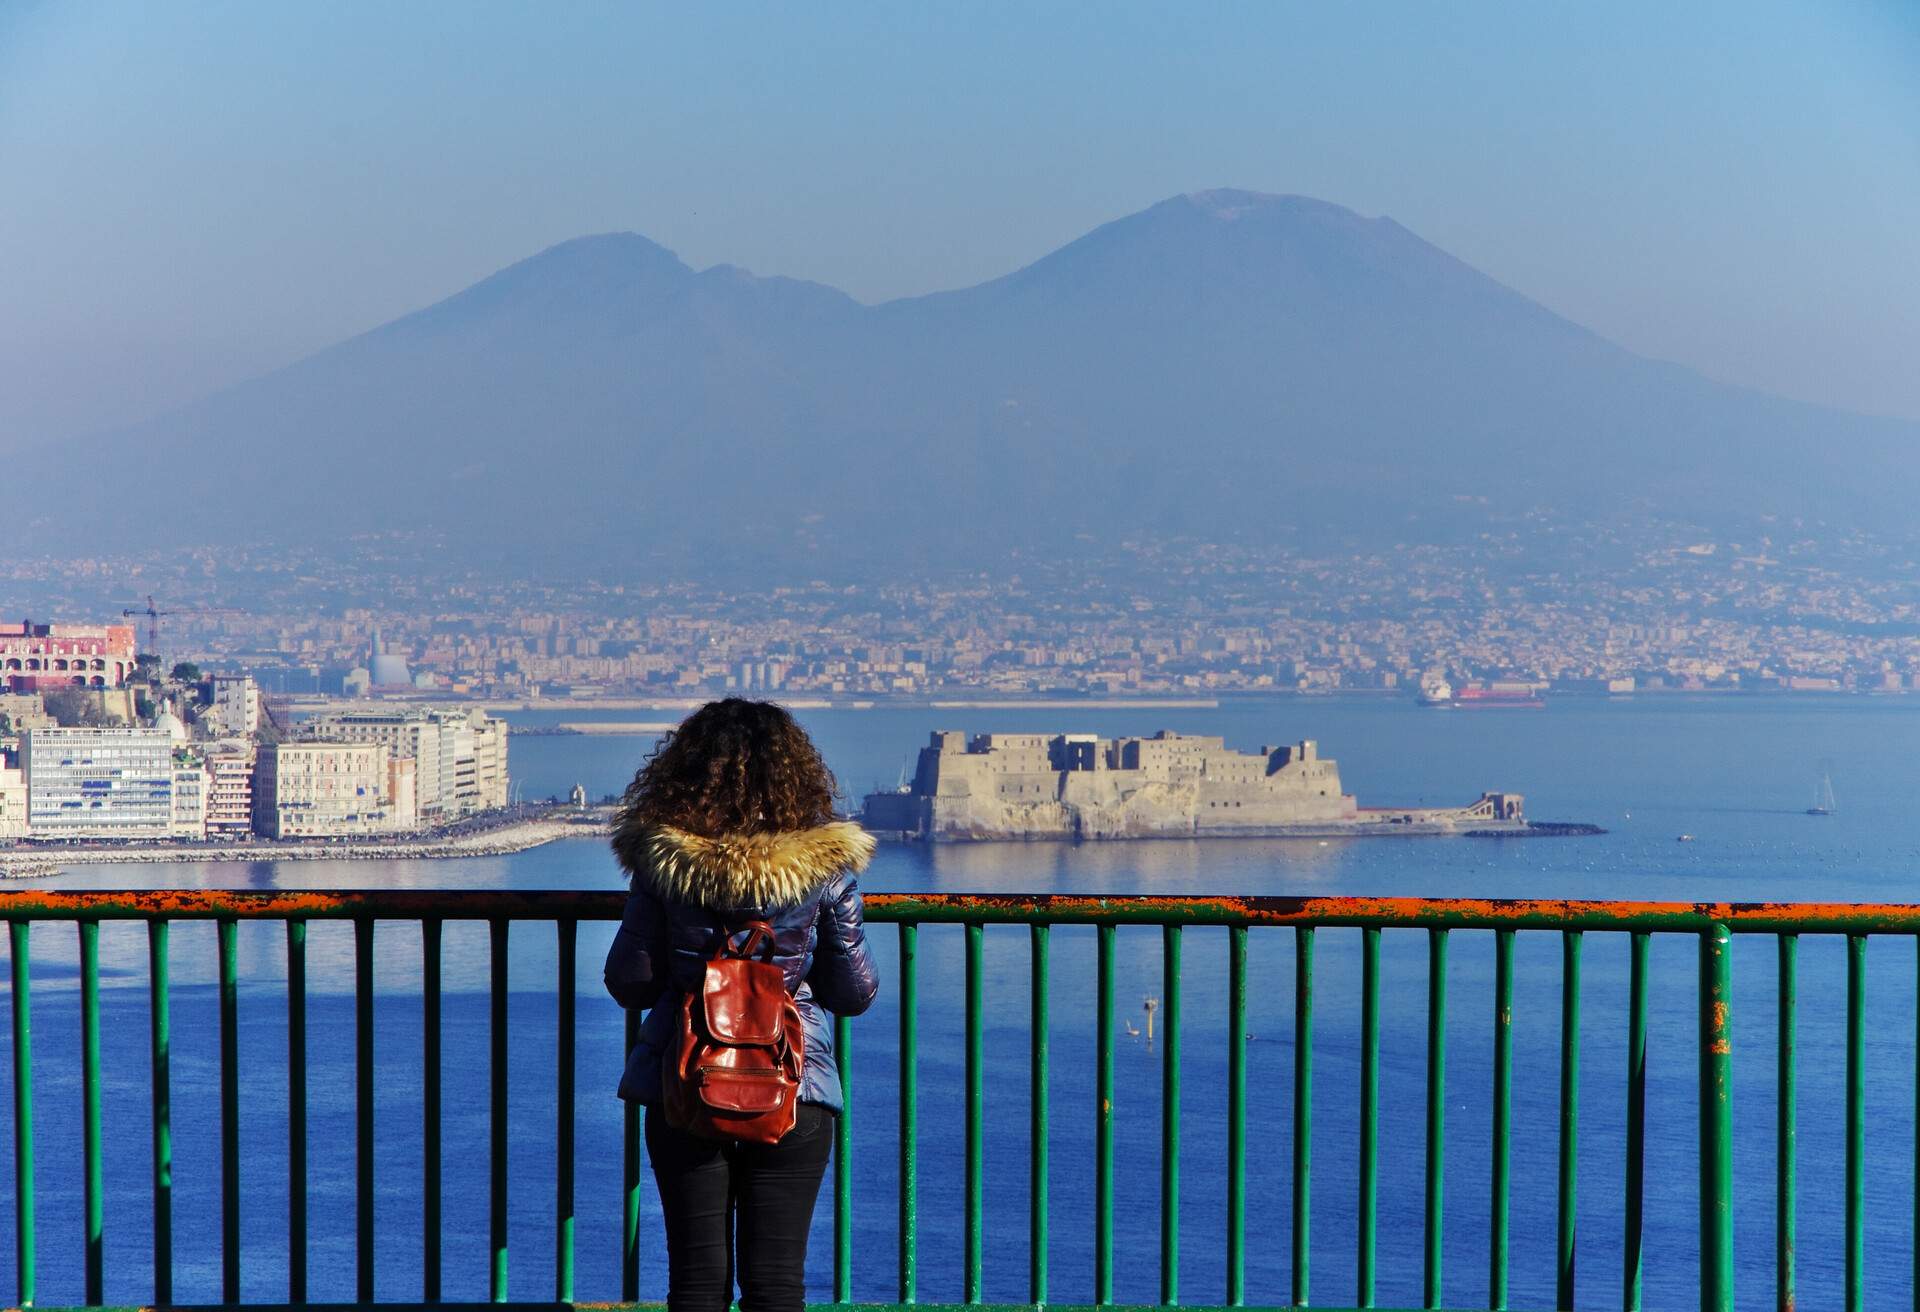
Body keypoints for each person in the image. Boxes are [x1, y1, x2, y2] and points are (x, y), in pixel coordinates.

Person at [604, 698, 879, 1312]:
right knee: (777, 1285)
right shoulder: (824, 867)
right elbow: (854, 992)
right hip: (794, 1083)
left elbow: (628, 982)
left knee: (696, 1285)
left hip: (685, 1080)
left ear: (685, 770)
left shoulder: (664, 864)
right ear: (798, 773)